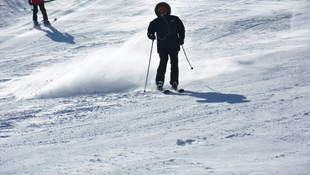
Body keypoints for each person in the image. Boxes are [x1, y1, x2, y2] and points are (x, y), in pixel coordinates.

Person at [147, 2, 185, 91]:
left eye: (164, 12)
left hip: (174, 45)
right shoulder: (155, 22)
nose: (162, 14)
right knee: (163, 63)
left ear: (168, 11)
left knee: (174, 63)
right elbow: (149, 31)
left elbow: (181, 29)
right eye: (160, 12)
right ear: (157, 13)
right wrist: (151, 35)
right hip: (162, 46)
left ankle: (174, 82)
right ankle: (159, 81)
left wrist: (181, 38)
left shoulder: (174, 19)